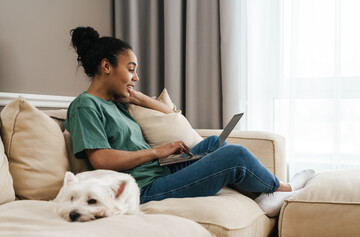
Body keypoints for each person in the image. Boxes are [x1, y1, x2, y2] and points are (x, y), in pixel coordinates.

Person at [65, 26, 315, 217]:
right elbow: (101, 159)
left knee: (213, 144)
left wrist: (138, 98)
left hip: (162, 170)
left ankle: (263, 194)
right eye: (131, 69)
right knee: (234, 155)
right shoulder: (84, 106)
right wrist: (157, 152)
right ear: (106, 66)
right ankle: (283, 188)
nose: (136, 77)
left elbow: (169, 112)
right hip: (145, 188)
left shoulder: (117, 102)